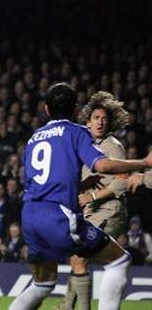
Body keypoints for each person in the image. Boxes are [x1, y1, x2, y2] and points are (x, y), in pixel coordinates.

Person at [10, 83, 152, 310]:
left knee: (43, 284)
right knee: (119, 261)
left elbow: (40, 180)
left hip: (29, 215)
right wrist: (144, 162)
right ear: (76, 109)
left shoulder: (34, 138)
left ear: (46, 109)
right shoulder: (76, 132)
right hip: (59, 216)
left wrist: (80, 184)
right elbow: (102, 165)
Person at [59, 92, 130, 310]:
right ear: (87, 121)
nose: (100, 122)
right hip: (90, 211)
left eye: (104, 119)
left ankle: (72, 307)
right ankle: (68, 305)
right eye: (96, 117)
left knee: (80, 254)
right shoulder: (86, 145)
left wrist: (91, 196)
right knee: (77, 256)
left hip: (109, 210)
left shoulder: (112, 146)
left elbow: (121, 183)